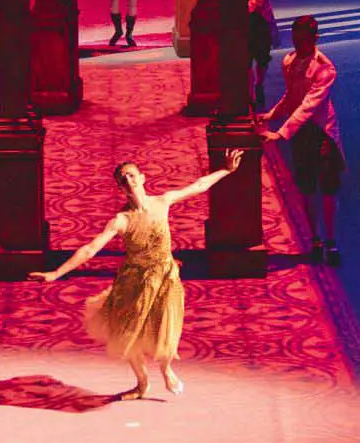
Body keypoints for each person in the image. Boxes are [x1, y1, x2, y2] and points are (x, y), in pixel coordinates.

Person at [35, 151, 243, 399]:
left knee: (165, 326)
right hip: (133, 281)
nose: (128, 179)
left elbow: (198, 186)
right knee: (126, 332)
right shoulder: (121, 220)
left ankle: (166, 369)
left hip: (165, 277)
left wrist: (227, 170)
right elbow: (90, 249)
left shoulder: (163, 201)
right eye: (122, 178)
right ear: (120, 188)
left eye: (131, 175)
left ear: (142, 178)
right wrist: (56, 273)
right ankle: (142, 382)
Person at [260, 14, 343, 264]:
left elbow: (308, 106)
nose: (298, 45)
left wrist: (280, 133)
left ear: (314, 38)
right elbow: (292, 96)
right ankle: (315, 239)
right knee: (306, 188)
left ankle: (331, 240)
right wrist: (272, 114)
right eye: (295, 40)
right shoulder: (289, 61)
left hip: (321, 133)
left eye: (303, 40)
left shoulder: (325, 68)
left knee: (328, 189)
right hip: (301, 135)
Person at [245, 0, 277, 106]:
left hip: (260, 21)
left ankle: (259, 85)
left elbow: (255, 2)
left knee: (261, 59)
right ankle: (250, 94)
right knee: (246, 59)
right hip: (245, 21)